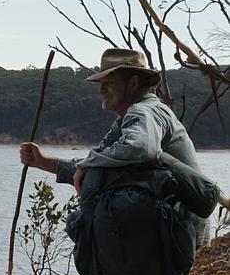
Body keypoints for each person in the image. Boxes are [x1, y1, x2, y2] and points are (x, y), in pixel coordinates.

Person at [19, 47, 210, 247]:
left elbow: (139, 148)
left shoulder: (144, 111)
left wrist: (88, 165)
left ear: (134, 83)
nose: (101, 89)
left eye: (109, 83)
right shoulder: (128, 119)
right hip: (172, 230)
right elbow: (102, 161)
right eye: (101, 83)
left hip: (182, 231)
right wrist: (42, 162)